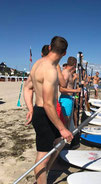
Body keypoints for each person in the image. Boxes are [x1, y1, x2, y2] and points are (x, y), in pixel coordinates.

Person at [23, 36, 73, 184]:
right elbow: (48, 104)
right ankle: (41, 179)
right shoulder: (51, 71)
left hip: (41, 111)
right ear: (64, 53)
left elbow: (27, 88)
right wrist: (63, 128)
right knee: (43, 156)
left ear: (50, 48)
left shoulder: (37, 64)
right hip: (45, 114)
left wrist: (30, 108)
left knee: (60, 143)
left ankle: (44, 174)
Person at [59, 56, 81, 128]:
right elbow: (61, 89)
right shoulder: (65, 73)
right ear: (75, 64)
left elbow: (68, 85)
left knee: (67, 122)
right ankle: (64, 138)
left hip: (69, 99)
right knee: (65, 123)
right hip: (65, 99)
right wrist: (76, 90)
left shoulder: (68, 73)